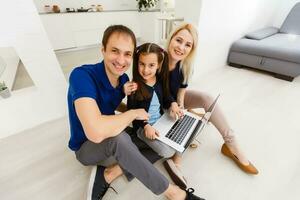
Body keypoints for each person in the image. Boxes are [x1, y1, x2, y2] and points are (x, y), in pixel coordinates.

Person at [67, 24, 204, 200]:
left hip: (113, 130)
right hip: (87, 147)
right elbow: (96, 132)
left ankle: (111, 172)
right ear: (103, 50)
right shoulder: (81, 76)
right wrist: (132, 114)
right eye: (115, 51)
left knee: (159, 139)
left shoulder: (123, 79)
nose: (121, 60)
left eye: (127, 54)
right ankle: (174, 193)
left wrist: (143, 114)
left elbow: (114, 103)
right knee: (120, 138)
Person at [162, 23, 259, 186]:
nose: (181, 47)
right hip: (161, 104)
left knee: (207, 98)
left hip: (174, 101)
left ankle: (231, 144)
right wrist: (176, 108)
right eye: (178, 40)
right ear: (170, 39)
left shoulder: (185, 64)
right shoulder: (158, 59)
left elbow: (181, 92)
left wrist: (181, 107)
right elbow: (157, 94)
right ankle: (176, 160)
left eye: (188, 45)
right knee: (185, 121)